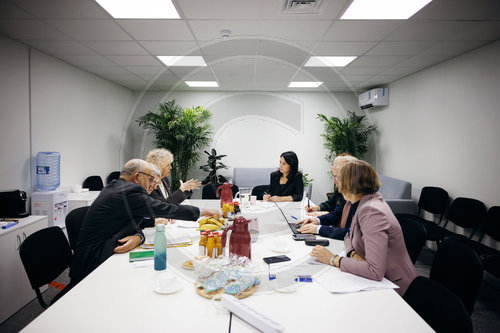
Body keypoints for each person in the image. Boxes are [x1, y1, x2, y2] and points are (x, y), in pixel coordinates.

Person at [69, 159, 218, 286]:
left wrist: (138, 237)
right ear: (137, 177)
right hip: (93, 263)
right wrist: (203, 212)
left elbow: (135, 221)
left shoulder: (117, 187)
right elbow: (164, 208)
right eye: (150, 179)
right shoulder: (128, 191)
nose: (152, 183)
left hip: (105, 249)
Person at [310, 159, 417, 296]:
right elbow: (349, 236)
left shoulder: (372, 212)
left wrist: (333, 259)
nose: (336, 183)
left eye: (339, 179)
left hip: (396, 288)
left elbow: (374, 271)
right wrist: (354, 255)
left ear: (351, 183)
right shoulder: (363, 202)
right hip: (379, 279)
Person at [297, 154, 358, 239]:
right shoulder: (345, 192)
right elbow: (336, 215)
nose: (334, 181)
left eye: (337, 177)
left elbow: (351, 234)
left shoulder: (361, 200)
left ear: (350, 177)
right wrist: (317, 220)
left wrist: (318, 229)